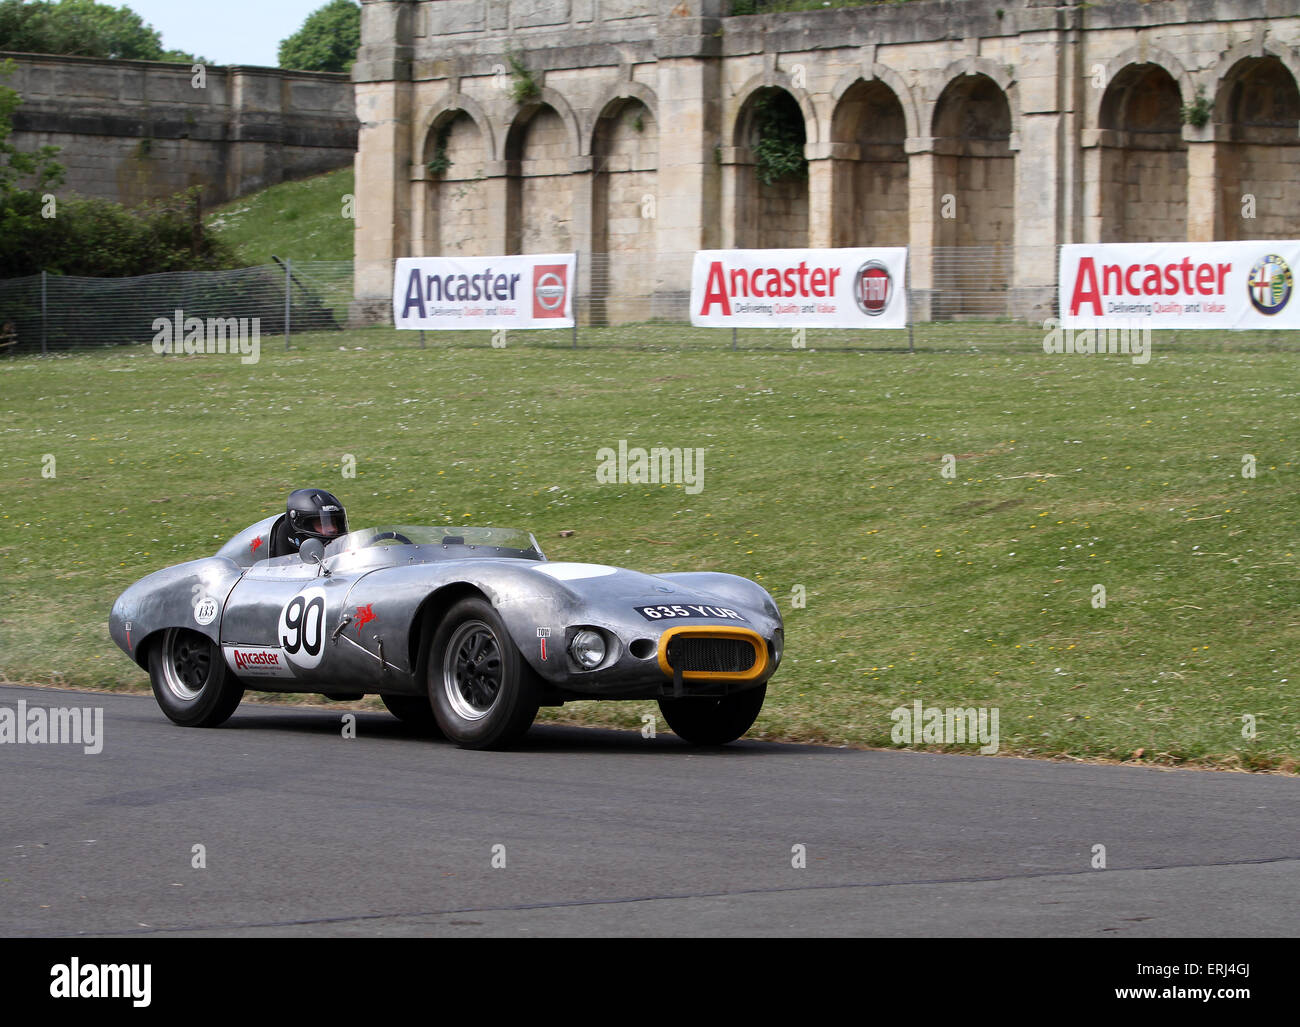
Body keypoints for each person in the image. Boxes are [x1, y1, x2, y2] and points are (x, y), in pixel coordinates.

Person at [268, 488, 349, 558]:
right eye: (322, 524)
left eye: (334, 523)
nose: (332, 529)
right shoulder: (279, 570)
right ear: (301, 525)